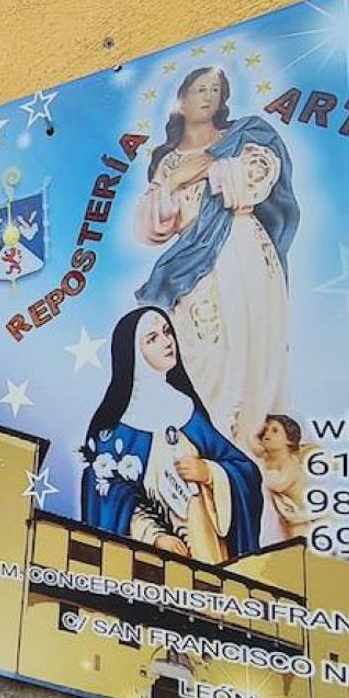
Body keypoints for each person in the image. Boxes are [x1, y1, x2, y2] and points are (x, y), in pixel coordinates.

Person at [132, 66, 300, 453]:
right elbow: (156, 224)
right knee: (201, 353)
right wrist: (170, 186)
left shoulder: (246, 137)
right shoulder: (167, 161)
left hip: (241, 250)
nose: (208, 97)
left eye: (215, 90)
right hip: (195, 266)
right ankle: (205, 448)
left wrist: (209, 164)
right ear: (182, 98)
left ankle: (249, 456)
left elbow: (254, 180)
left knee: (250, 345)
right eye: (199, 89)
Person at [80, 308, 264, 563]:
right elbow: (108, 498)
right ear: (132, 352)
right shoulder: (116, 430)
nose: (167, 342)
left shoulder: (187, 409)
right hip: (157, 562)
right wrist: (153, 537)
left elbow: (245, 470)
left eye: (167, 332)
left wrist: (211, 473)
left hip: (211, 549)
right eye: (152, 338)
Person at [257, 413, 320, 542]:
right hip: (289, 516)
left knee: (298, 545)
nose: (267, 434)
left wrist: (256, 472)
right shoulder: (267, 459)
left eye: (275, 431)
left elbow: (279, 483)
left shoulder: (291, 464)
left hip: (302, 517)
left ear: (289, 439)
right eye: (266, 430)